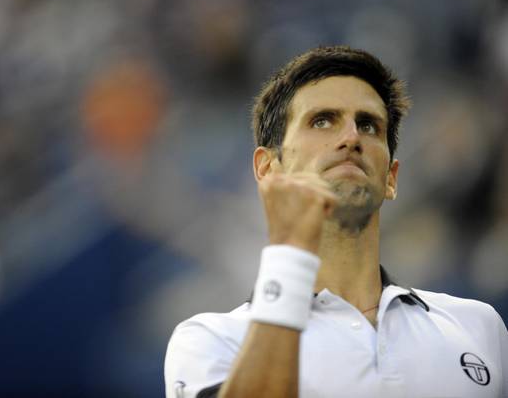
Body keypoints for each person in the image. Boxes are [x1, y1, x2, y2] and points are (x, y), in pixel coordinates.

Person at [164, 46, 508, 398]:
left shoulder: (479, 327)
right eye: (322, 120)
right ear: (268, 168)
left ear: (391, 178)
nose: (351, 138)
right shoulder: (211, 340)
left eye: (368, 125)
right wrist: (290, 251)